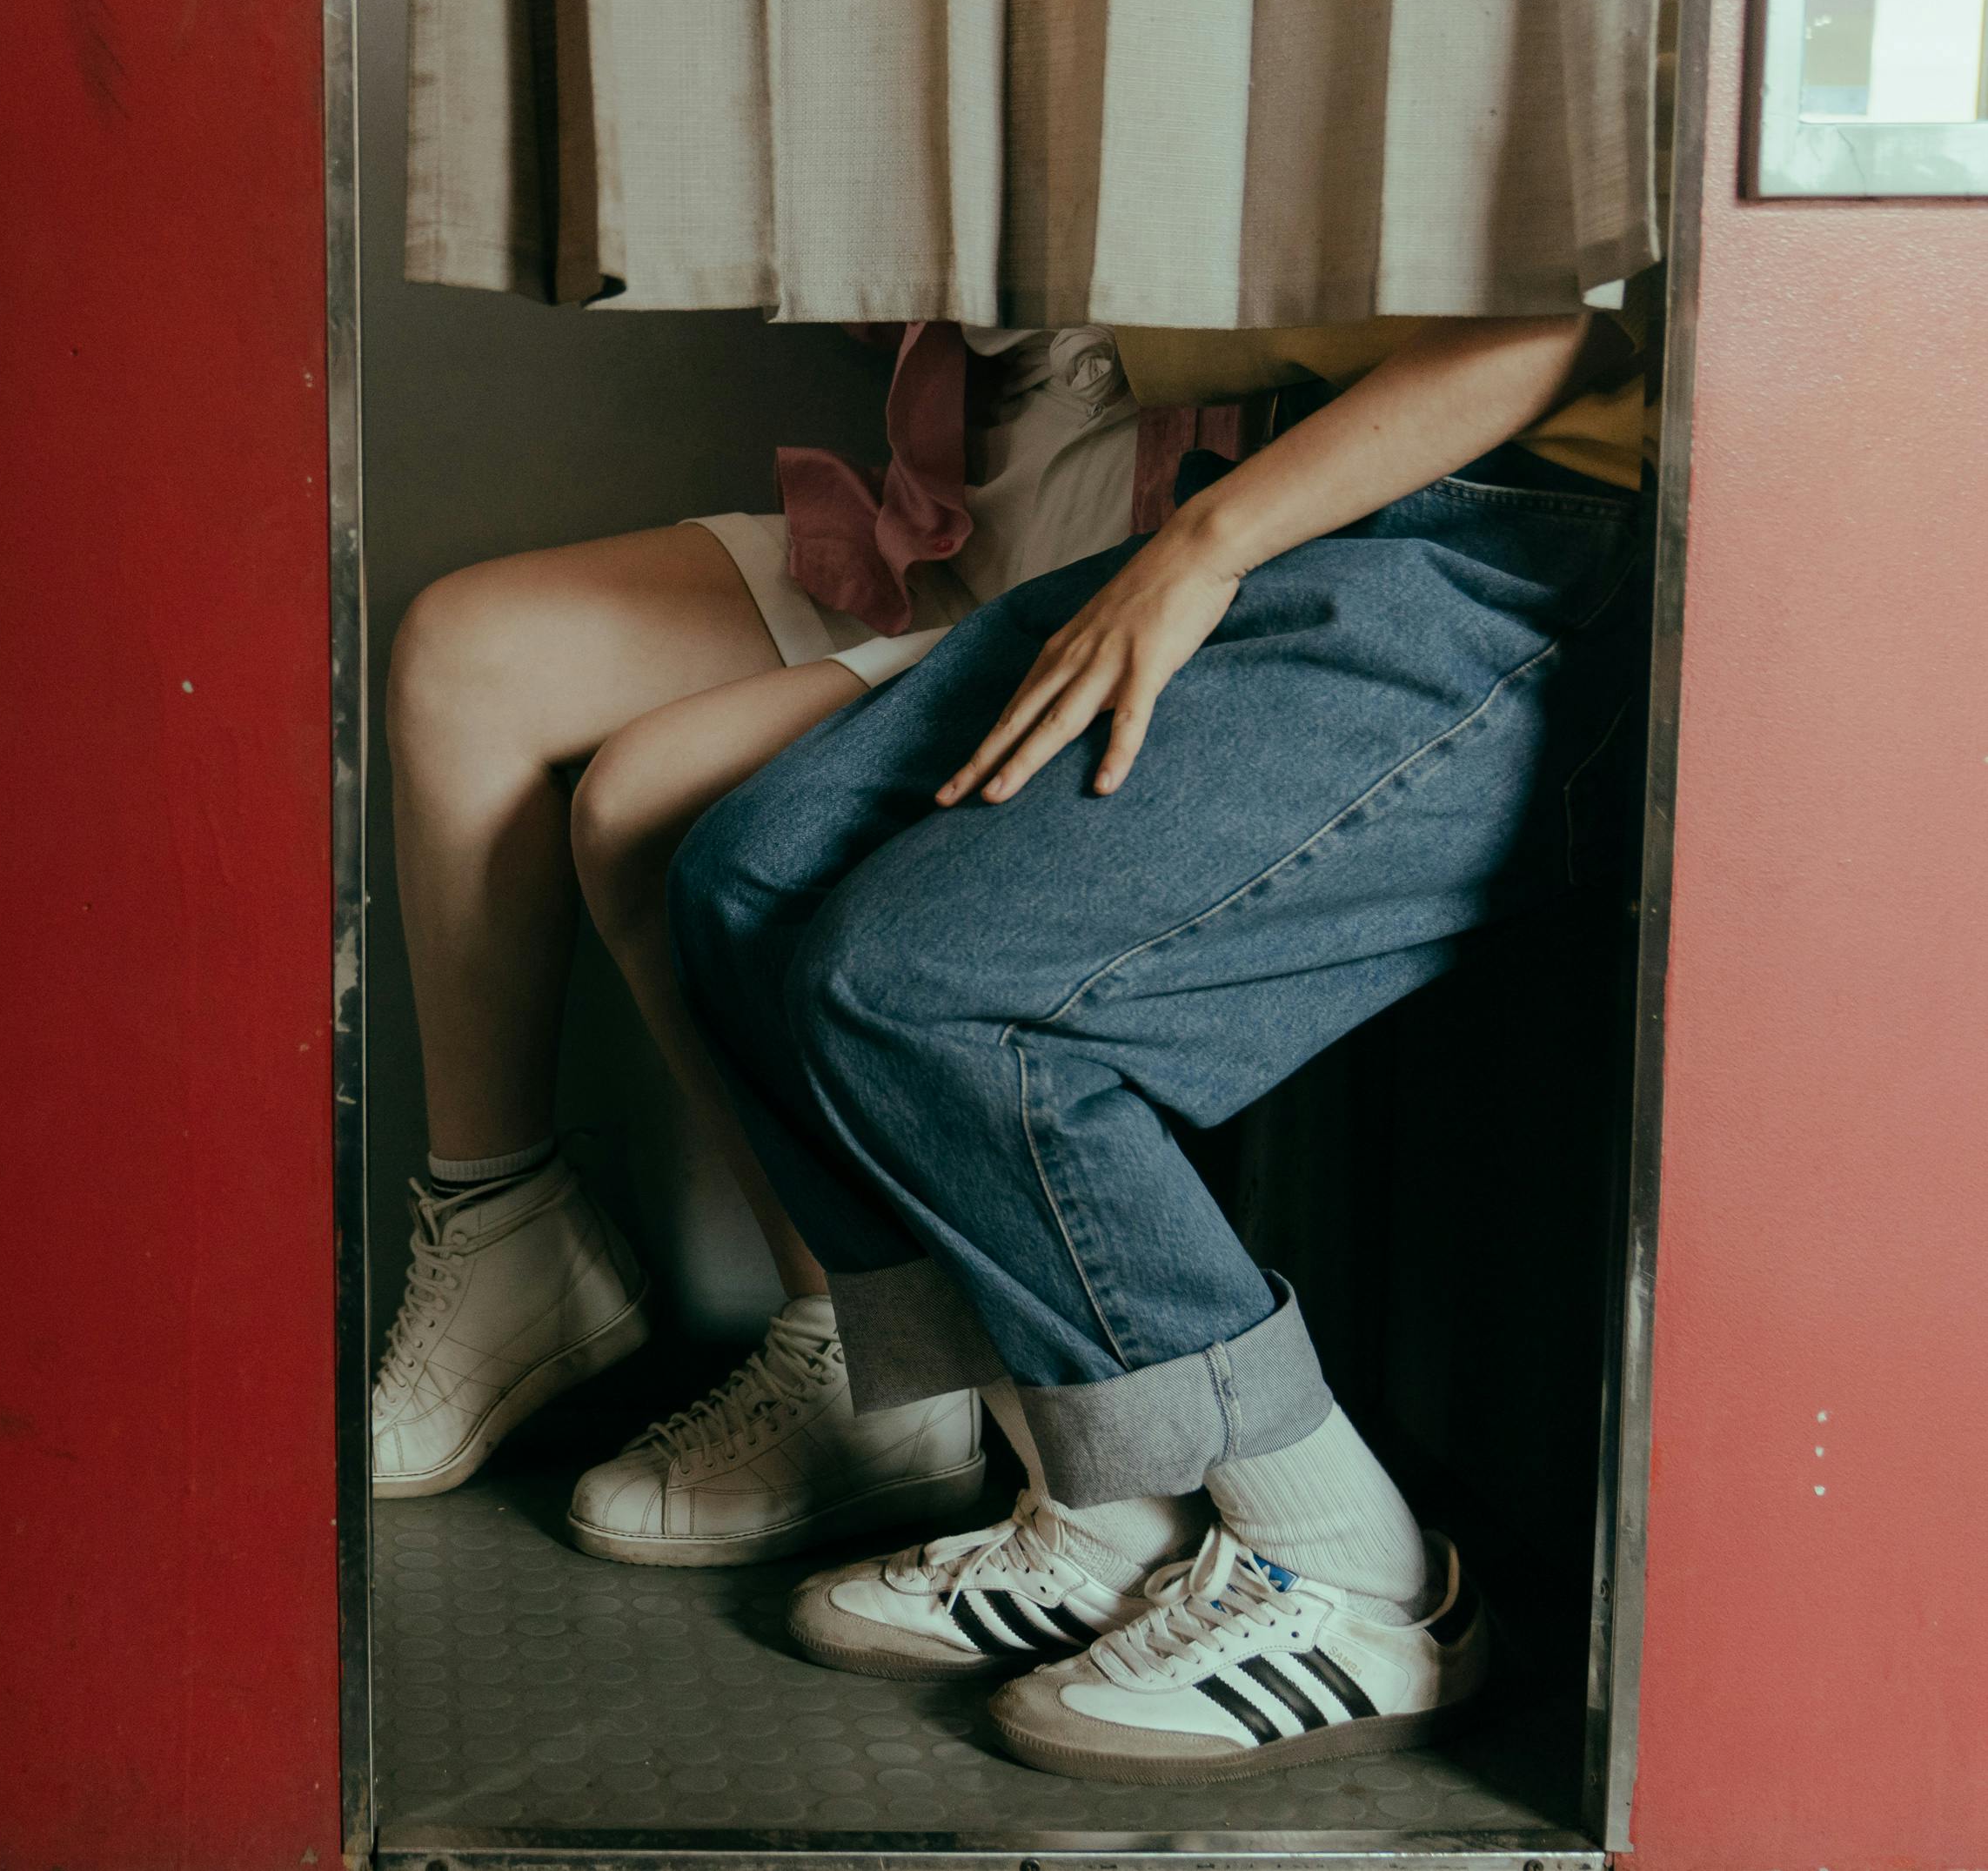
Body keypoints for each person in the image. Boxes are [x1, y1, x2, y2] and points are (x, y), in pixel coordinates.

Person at [666, 307, 1652, 1777]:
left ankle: (1352, 1570)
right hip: (1328, 494)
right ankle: (1111, 1504)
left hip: (1535, 540)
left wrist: (1205, 545)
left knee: (933, 992)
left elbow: (1568, 320)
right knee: (749, 884)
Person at [369, 325, 1138, 1566]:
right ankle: (499, 1225)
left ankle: (867, 1356)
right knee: (465, 656)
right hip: (957, 517)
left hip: (1123, 562)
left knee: (651, 803)